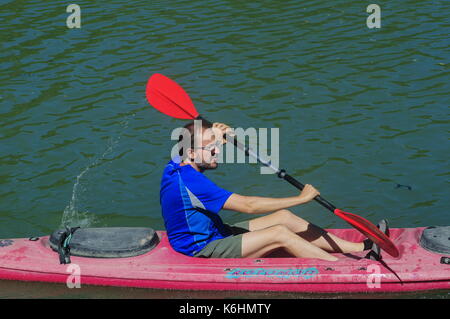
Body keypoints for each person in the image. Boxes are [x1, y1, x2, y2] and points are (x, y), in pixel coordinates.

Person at [160, 120, 382, 261]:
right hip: (201, 247)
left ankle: (361, 247)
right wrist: (300, 199)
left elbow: (196, 145)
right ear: (190, 153)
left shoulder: (176, 164)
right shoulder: (192, 182)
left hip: (217, 231)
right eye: (211, 147)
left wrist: (218, 135)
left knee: (284, 218)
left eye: (217, 144)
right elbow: (249, 206)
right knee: (279, 234)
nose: (217, 150)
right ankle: (345, 269)